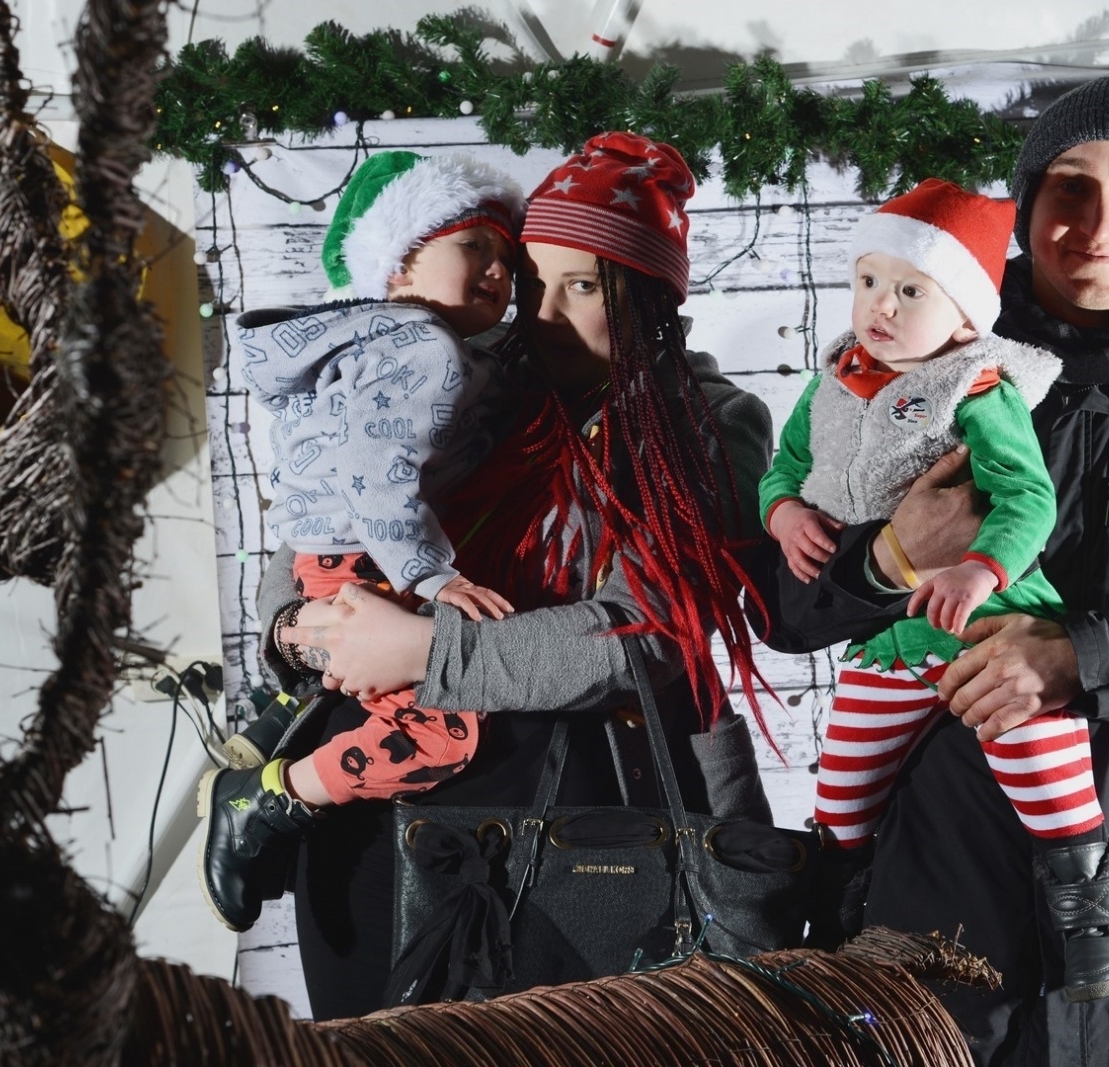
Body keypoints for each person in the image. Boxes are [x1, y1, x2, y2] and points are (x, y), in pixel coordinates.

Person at [753, 76, 1109, 1064]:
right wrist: (892, 556)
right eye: (1068, 184)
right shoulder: (907, 377)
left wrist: (1078, 653)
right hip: (941, 869)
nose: (1098, 223)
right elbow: (783, 608)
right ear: (1026, 205)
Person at [256, 132, 777, 1020]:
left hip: (579, 823)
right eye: (531, 280)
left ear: (650, 290)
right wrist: (296, 629)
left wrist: (428, 650)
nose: (541, 312)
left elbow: (642, 636)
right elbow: (326, 517)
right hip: (378, 805)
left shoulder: (708, 422)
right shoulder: (465, 380)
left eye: (582, 284)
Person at [761, 180, 1109, 1000]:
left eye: (908, 290)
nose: (879, 307)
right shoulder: (830, 387)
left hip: (987, 627)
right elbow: (786, 469)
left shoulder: (977, 385)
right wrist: (786, 513)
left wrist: (982, 568)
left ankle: (1092, 913)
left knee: (1040, 753)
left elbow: (1027, 496)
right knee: (843, 789)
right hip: (890, 639)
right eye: (867, 282)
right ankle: (840, 910)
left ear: (965, 316)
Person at [197, 151, 526, 934]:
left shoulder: (390, 340)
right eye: (471, 246)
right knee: (443, 731)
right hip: (366, 554)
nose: (495, 270)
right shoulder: (424, 348)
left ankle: (278, 721)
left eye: (507, 258)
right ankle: (271, 803)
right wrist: (432, 575)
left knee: (362, 672)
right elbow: (376, 473)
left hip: (340, 555)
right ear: (402, 257)